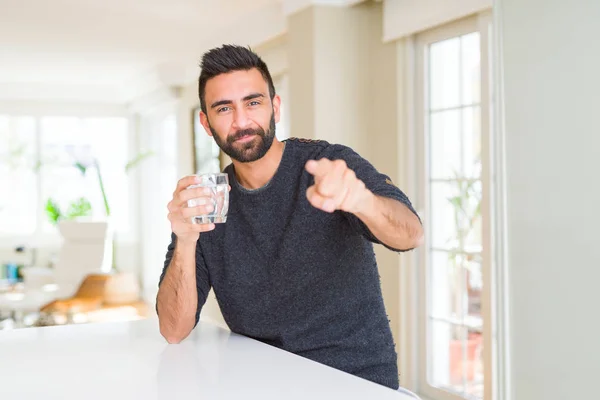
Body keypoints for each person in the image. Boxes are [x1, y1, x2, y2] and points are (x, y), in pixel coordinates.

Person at [156, 44, 424, 391]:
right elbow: (173, 331)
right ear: (206, 123)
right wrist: (186, 241)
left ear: (275, 107)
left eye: (253, 102)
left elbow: (411, 235)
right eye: (224, 109)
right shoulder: (208, 203)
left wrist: (362, 202)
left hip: (354, 382)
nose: (241, 121)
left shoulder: (328, 164)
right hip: (261, 385)